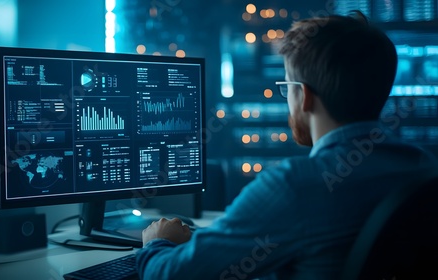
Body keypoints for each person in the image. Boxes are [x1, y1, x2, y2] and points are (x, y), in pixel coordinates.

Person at [136, 11, 438, 280]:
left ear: (304, 96)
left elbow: (170, 274)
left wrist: (157, 243)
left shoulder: (296, 186)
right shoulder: (422, 166)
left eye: (287, 88)